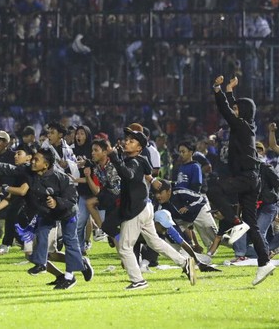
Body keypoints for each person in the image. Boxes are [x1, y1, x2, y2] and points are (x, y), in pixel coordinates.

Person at [0, 147, 93, 290]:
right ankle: (43, 265)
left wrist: (57, 202)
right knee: (41, 238)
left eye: (36, 159)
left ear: (46, 165)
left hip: (66, 213)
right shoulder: (28, 172)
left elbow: (71, 198)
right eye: (32, 158)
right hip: (45, 214)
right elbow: (5, 168)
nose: (32, 161)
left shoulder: (60, 178)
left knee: (69, 242)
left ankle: (69, 276)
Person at [107, 124, 196, 290]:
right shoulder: (137, 160)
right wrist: (117, 155)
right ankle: (185, 262)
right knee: (155, 242)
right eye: (126, 140)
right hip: (145, 207)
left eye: (131, 141)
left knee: (125, 248)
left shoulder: (133, 161)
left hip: (136, 209)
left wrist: (113, 156)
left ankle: (138, 280)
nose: (127, 142)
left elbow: (128, 174)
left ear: (139, 147)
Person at [209, 75, 274, 285]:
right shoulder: (246, 126)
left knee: (214, 189)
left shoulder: (243, 126)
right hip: (250, 178)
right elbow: (232, 110)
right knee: (252, 223)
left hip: (246, 177)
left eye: (237, 109)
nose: (234, 111)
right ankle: (264, 263)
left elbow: (226, 111)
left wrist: (218, 89)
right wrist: (229, 91)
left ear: (243, 112)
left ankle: (235, 223)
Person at [153, 179, 218, 251]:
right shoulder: (159, 206)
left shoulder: (179, 192)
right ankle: (186, 255)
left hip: (198, 212)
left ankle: (231, 243)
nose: (157, 196)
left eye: (160, 193)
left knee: (214, 236)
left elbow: (201, 198)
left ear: (169, 191)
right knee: (170, 236)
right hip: (183, 219)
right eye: (156, 193)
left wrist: (189, 207)